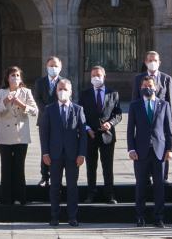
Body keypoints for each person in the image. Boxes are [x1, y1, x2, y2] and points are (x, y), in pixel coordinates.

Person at [38, 79, 87, 227]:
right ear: (56, 91)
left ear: (70, 91)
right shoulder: (49, 109)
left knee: (72, 187)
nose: (62, 92)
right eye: (59, 89)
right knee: (55, 186)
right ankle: (54, 216)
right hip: (54, 155)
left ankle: (72, 217)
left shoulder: (78, 109)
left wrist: (82, 154)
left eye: (65, 89)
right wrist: (45, 153)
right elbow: (44, 133)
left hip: (73, 155)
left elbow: (83, 134)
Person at [128, 76, 172, 228]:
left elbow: (168, 130)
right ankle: (140, 217)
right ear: (141, 88)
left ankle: (159, 217)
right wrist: (131, 149)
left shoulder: (164, 105)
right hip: (140, 152)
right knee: (140, 185)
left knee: (159, 186)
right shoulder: (135, 105)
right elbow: (130, 130)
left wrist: (170, 149)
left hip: (159, 151)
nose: (147, 88)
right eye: (144, 86)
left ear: (156, 88)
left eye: (150, 85)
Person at [0, 66, 38, 206]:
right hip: (4, 136)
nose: (15, 78)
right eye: (12, 75)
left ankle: (20, 198)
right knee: (6, 167)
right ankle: (6, 199)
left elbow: (35, 111)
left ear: (20, 78)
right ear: (7, 78)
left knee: (19, 167)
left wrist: (21, 104)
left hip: (20, 136)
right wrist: (4, 102)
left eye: (17, 75)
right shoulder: (1, 92)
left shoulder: (26, 92)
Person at [80, 65, 122, 204]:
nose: (95, 78)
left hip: (107, 135)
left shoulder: (113, 93)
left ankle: (110, 195)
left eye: (98, 75)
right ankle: (91, 194)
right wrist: (86, 128)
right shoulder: (85, 94)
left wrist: (110, 123)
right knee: (91, 167)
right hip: (90, 135)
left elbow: (118, 114)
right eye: (93, 75)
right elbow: (80, 114)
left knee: (108, 167)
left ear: (104, 76)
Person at [33, 55, 66, 187]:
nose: (53, 68)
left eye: (56, 66)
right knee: (45, 149)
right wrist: (47, 112)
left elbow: (67, 98)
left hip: (59, 120)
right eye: (51, 66)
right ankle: (44, 176)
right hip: (44, 119)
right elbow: (37, 99)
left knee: (58, 149)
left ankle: (57, 177)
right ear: (46, 67)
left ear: (60, 67)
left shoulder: (64, 82)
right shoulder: (40, 82)